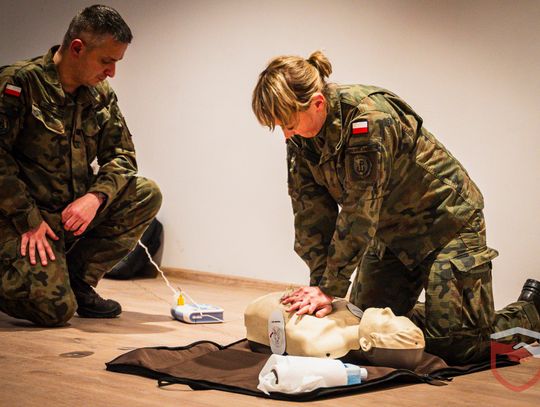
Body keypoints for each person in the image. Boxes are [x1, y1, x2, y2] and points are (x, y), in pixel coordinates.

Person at [251, 50, 540, 364]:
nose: (286, 134)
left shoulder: (369, 119)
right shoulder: (300, 138)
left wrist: (330, 287)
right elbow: (310, 213)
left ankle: (532, 311)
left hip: (447, 224)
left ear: (317, 103)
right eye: (280, 126)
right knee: (363, 327)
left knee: (459, 347)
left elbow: (359, 211)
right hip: (391, 232)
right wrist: (320, 287)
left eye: (289, 123)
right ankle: (445, 316)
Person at [0, 5, 162, 326]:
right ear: (77, 48)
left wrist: (95, 197)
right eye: (106, 61)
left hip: (67, 215)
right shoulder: (19, 83)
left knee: (145, 193)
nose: (112, 72)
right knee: (55, 311)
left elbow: (122, 156)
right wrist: (28, 219)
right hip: (21, 219)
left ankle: (76, 280)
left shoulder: (99, 94)